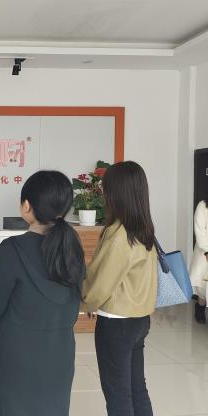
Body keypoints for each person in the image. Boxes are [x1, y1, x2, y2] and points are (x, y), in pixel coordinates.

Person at [0, 171, 86, 416]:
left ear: (26, 206)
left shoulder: (12, 249)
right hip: (59, 358)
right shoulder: (73, 248)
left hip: (13, 363)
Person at [82, 161, 157, 416]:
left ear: (116, 192)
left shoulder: (118, 235)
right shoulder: (144, 229)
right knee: (137, 389)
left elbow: (100, 282)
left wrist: (87, 302)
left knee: (118, 396)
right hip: (140, 319)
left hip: (116, 323)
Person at [190, 200, 208, 323]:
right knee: (202, 287)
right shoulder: (203, 206)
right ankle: (200, 307)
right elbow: (200, 232)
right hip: (204, 252)